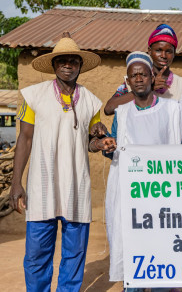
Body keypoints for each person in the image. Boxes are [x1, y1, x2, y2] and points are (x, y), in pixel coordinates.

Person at [10, 32, 108, 292]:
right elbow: (25, 139)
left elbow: (88, 142)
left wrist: (99, 141)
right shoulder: (33, 96)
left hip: (77, 187)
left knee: (74, 255)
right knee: (36, 256)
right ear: (53, 65)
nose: (67, 65)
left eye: (73, 61)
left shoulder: (91, 102)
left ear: (80, 65)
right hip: (42, 188)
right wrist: (16, 182)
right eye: (62, 61)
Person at [94, 51, 182, 288]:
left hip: (161, 195)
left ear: (152, 77)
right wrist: (107, 146)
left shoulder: (171, 109)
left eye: (144, 74)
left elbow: (178, 151)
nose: (139, 79)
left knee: (162, 254)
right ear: (128, 81)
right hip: (131, 195)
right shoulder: (122, 113)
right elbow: (114, 148)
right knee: (134, 257)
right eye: (134, 76)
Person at [104, 24, 182, 115]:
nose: (163, 56)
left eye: (168, 51)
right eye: (158, 50)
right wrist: (149, 88)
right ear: (149, 51)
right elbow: (109, 109)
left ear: (174, 53)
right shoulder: (135, 81)